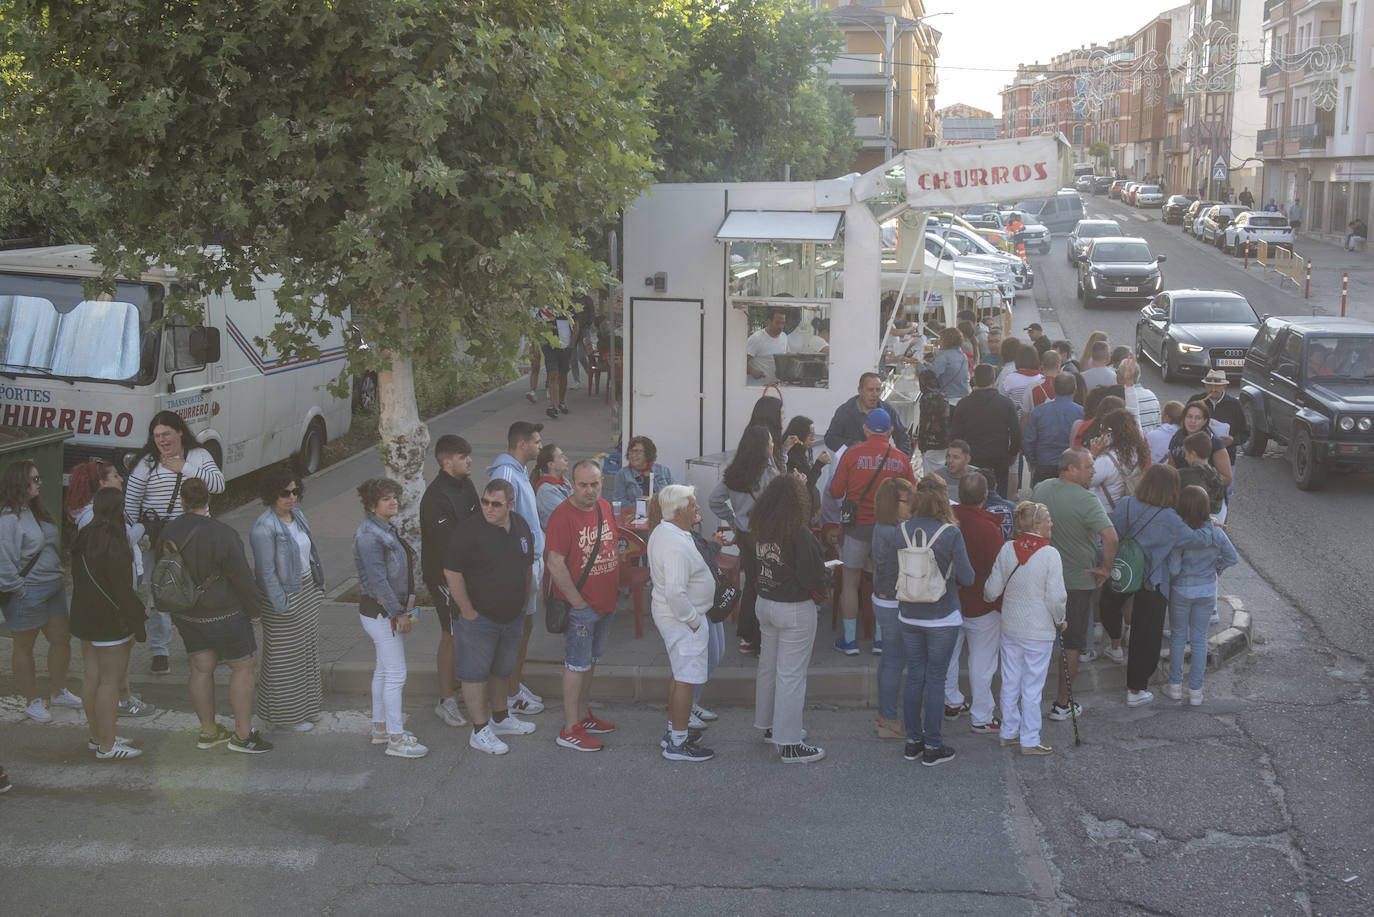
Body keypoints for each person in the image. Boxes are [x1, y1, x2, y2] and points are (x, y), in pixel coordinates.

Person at [163, 478, 273, 754]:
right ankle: (243, 735)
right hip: (224, 614)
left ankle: (209, 731)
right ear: (208, 499)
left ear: (182, 501)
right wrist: (254, 610)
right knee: (243, 667)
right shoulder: (223, 533)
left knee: (201, 668)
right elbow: (241, 577)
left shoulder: (169, 530)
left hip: (186, 613)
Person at [873, 483, 974, 767]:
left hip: (908, 614)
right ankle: (933, 744)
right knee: (936, 678)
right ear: (943, 505)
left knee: (915, 675)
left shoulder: (900, 531)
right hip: (942, 615)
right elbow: (967, 577)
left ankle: (913, 741)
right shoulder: (951, 533)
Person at [1107, 464, 1219, 706]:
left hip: (1124, 573)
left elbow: (1113, 532)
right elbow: (1199, 539)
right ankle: (1135, 690)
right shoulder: (1170, 519)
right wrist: (1209, 522)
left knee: (1110, 606)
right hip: (1153, 582)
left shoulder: (1126, 504)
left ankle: (1113, 646)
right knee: (1145, 635)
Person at [124, 410, 226, 675]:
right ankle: (160, 651)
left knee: (202, 591)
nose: (162, 440)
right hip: (157, 539)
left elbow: (218, 485)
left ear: (179, 431)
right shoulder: (146, 462)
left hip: (194, 536)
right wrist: (135, 539)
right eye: (157, 436)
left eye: (166, 433)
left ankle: (207, 644)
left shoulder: (199, 456)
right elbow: (131, 503)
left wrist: (185, 469)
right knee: (159, 597)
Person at [444, 479, 537, 756]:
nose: (488, 508)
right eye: (485, 502)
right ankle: (479, 729)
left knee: (501, 669)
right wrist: (468, 610)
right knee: (474, 674)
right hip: (478, 618)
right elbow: (452, 572)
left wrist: (523, 602)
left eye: (496, 504)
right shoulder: (469, 531)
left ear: (510, 504)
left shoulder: (520, 525)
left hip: (511, 616)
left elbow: (526, 567)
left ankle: (500, 718)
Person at [1033, 448, 1118, 722]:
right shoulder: (1087, 500)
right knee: (1071, 644)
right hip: (1077, 583)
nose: (1093, 471)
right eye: (1089, 466)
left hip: (1043, 578)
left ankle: (1029, 700)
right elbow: (1110, 537)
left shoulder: (1041, 489)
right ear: (1071, 469)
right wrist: (1105, 569)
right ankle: (1062, 703)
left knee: (1039, 641)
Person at [751, 475, 828, 764]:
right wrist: (826, 575)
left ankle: (771, 727)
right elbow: (812, 576)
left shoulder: (760, 527)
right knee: (791, 676)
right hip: (794, 607)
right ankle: (790, 743)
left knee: (768, 669)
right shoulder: (799, 532)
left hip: (765, 601)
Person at [66, 460, 153, 719]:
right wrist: (140, 530)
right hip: (111, 606)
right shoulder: (93, 518)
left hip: (103, 604)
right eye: (115, 476)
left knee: (97, 673)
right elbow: (110, 560)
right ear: (100, 484)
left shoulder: (96, 514)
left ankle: (103, 728)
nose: (121, 479)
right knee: (108, 673)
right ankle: (119, 705)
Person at [827, 409, 916, 655]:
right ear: (890, 431)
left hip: (855, 528)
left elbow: (835, 491)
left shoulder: (852, 455)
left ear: (865, 429)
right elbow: (913, 494)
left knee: (849, 584)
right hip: (888, 529)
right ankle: (880, 640)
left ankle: (850, 641)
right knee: (883, 584)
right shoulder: (901, 459)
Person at [547, 461, 620, 752]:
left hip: (605, 602)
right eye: (583, 485)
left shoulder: (604, 507)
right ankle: (570, 728)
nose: (589, 491)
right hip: (582, 607)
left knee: (590, 662)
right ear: (572, 484)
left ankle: (583, 715)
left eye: (595, 484)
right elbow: (554, 562)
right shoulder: (562, 516)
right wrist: (578, 602)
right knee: (576, 664)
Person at [983, 501, 1066, 756]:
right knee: (1032, 686)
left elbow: (991, 590)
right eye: (1049, 518)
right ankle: (1030, 739)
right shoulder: (1050, 554)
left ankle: (1008, 732)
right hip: (1038, 630)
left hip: (1011, 626)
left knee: (1010, 680)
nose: (1052, 523)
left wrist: (990, 600)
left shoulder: (1008, 549)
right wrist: (1060, 619)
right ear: (1038, 524)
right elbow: (1056, 597)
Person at [248, 463, 325, 733]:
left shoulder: (298, 516)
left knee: (306, 651)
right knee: (284, 659)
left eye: (295, 491)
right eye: (285, 493)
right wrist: (283, 604)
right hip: (283, 597)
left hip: (306, 589)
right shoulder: (263, 528)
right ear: (271, 495)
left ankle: (308, 708)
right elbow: (266, 573)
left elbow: (310, 553)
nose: (292, 497)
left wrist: (317, 587)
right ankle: (285, 716)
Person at [352, 478, 426, 757]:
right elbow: (378, 581)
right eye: (386, 499)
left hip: (383, 611)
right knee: (396, 674)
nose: (393, 501)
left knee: (384, 670)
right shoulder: (369, 535)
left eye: (394, 497)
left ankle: (380, 729)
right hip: (382, 613)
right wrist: (400, 615)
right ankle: (396, 739)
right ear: (372, 505)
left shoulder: (383, 528)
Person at [0, 460, 77, 723]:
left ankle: (59, 690)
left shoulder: (35, 510)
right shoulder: (9, 518)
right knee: (24, 647)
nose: (38, 483)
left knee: (61, 640)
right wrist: (18, 589)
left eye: (39, 478)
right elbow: (4, 559)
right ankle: (32, 701)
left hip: (53, 587)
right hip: (28, 592)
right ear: (18, 483)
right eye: (34, 479)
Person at [647, 485, 717, 762]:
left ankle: (674, 731)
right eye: (692, 505)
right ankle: (678, 742)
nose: (697, 509)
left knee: (679, 674)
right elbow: (675, 592)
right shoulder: (675, 544)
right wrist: (694, 622)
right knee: (686, 679)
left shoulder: (665, 531)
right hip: (683, 620)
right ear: (677, 512)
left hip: (674, 617)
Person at [419, 433, 480, 727]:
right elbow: (450, 545)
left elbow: (479, 524)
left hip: (470, 571)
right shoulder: (434, 498)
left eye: (468, 454)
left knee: (468, 632)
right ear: (446, 462)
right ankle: (445, 700)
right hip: (443, 574)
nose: (469, 460)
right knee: (452, 633)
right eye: (462, 456)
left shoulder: (466, 485)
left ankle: (461, 687)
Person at [486, 421, 546, 716]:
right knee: (515, 630)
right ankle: (509, 694)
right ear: (522, 445)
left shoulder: (519, 471)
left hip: (530, 562)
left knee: (525, 627)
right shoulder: (507, 473)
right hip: (518, 566)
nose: (540, 446)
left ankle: (514, 684)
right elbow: (496, 522)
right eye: (537, 442)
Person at [709, 425, 781, 656]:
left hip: (743, 534)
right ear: (762, 447)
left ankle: (747, 638)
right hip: (766, 535)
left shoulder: (733, 473)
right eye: (770, 441)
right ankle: (761, 640)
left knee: (751, 582)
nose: (773, 445)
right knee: (768, 583)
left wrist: (732, 518)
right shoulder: (769, 473)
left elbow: (714, 500)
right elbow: (781, 500)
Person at [1166, 485, 1238, 705]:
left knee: (1178, 637)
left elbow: (1174, 569)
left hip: (1181, 590)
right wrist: (1215, 569)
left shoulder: (1181, 535)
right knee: (1199, 639)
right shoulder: (1216, 532)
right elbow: (1232, 557)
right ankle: (1196, 691)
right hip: (1206, 590)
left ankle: (1175, 687)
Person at [950, 473, 1007, 736]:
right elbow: (998, 570)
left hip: (950, 601)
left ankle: (951, 702)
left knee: (949, 656)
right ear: (986, 495)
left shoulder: (948, 520)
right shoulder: (989, 528)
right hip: (982, 604)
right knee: (982, 662)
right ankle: (982, 716)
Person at [871, 477, 917, 739]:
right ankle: (888, 719)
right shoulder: (896, 532)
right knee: (893, 660)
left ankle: (884, 715)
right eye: (907, 500)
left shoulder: (884, 527)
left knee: (890, 658)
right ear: (893, 503)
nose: (912, 503)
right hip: (893, 601)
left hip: (884, 598)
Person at [952, 363, 1021, 497]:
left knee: (971, 500)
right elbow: (1016, 434)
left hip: (972, 461)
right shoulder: (1006, 404)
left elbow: (955, 437)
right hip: (999, 461)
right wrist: (1011, 455)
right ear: (993, 381)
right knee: (997, 500)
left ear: (975, 380)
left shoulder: (963, 404)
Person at [823, 372, 912, 453]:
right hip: (854, 464)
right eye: (870, 390)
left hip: (881, 463)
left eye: (878, 390)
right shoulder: (845, 411)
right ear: (860, 390)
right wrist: (855, 446)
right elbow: (830, 438)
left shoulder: (888, 411)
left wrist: (901, 461)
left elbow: (903, 438)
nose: (874, 394)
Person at [1023, 374, 1084, 484]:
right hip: (1072, 466)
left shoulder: (1039, 411)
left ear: (1053, 389)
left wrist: (1033, 463)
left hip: (1044, 464)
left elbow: (1028, 441)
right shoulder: (1082, 413)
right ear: (1075, 390)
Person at [1088, 409, 1150, 511]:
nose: (1100, 433)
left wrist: (1092, 455)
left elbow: (1084, 481)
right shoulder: (1138, 452)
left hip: (1104, 511)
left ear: (1111, 433)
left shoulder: (1106, 460)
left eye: (1103, 429)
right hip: (1127, 510)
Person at [1169, 400, 1233, 490]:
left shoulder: (1214, 443)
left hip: (1207, 497)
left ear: (1205, 421)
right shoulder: (1176, 438)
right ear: (1184, 418)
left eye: (1198, 418)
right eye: (1189, 416)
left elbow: (1227, 479)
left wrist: (1197, 479)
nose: (1193, 421)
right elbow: (1170, 469)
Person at [1188, 369, 1247, 464]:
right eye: (1209, 385)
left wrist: (1232, 440)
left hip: (1226, 459)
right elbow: (1183, 425)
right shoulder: (1196, 400)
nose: (1213, 389)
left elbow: (1244, 432)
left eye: (1217, 386)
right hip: (1199, 458)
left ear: (1224, 386)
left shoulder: (1234, 405)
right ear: (1205, 385)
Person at [538, 303, 577, 419]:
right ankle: (553, 406)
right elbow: (537, 327)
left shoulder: (568, 307)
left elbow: (576, 326)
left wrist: (571, 345)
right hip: (549, 347)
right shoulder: (543, 310)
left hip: (565, 347)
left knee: (563, 375)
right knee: (553, 374)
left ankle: (562, 402)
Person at [612, 435, 675, 505]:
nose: (633, 455)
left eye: (637, 452)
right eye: (631, 451)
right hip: (636, 515)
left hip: (663, 514)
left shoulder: (663, 471)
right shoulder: (622, 474)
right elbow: (619, 502)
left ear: (648, 453)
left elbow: (676, 494)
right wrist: (642, 505)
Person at [1178, 432, 1226, 514]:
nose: (1185, 457)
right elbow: (1217, 507)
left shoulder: (1183, 475)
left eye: (1186, 453)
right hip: (1211, 518)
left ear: (1192, 454)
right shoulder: (1217, 476)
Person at [783, 415, 831, 491]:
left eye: (813, 434)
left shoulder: (801, 453)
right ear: (799, 435)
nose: (813, 438)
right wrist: (819, 464)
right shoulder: (788, 458)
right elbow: (807, 486)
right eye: (809, 435)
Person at [530, 443, 573, 528]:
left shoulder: (564, 481)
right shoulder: (545, 490)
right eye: (561, 457)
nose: (566, 459)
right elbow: (567, 514)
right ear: (551, 465)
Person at [997, 345, 1043, 420]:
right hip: (1035, 423)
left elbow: (1001, 400)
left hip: (1015, 422)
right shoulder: (1041, 378)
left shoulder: (1010, 378)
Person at [1117, 355, 1161, 433]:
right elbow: (1158, 426)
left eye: (1117, 372)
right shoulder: (1152, 396)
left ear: (1121, 376)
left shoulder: (1120, 398)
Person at [746, 306, 789, 384]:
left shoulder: (784, 337)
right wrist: (752, 371)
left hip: (776, 386)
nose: (780, 326)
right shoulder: (756, 338)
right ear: (769, 321)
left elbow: (786, 360)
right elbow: (739, 362)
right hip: (756, 388)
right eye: (777, 322)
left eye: (783, 323)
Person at [931, 327, 971, 404]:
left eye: (941, 339)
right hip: (964, 397)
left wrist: (920, 365)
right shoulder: (963, 356)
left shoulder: (944, 355)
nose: (939, 342)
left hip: (949, 399)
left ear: (947, 341)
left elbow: (931, 374)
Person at [1021, 350, 1061, 416]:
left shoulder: (1031, 387)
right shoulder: (1066, 386)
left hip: (1037, 425)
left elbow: (1024, 416)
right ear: (1058, 366)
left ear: (1042, 365)